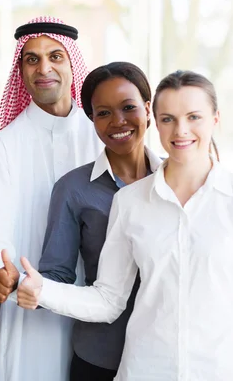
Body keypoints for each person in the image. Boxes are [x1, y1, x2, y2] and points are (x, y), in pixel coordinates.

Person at [18, 70, 233, 380]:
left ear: (215, 118)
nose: (181, 130)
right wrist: (42, 291)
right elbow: (108, 299)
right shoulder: (131, 202)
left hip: (220, 370)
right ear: (154, 119)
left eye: (194, 117)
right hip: (145, 369)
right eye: (168, 119)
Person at [0, 16, 103, 380]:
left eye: (56, 56)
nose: (44, 68)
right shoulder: (2, 148)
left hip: (101, 306)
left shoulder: (102, 138)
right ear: (21, 72)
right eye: (32, 59)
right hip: (27, 306)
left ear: (73, 65)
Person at [38, 62, 162, 380]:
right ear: (91, 119)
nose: (118, 121)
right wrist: (20, 286)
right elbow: (56, 275)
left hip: (162, 356)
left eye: (128, 107)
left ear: (148, 109)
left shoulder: (176, 180)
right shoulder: (72, 189)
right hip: (100, 357)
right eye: (103, 112)